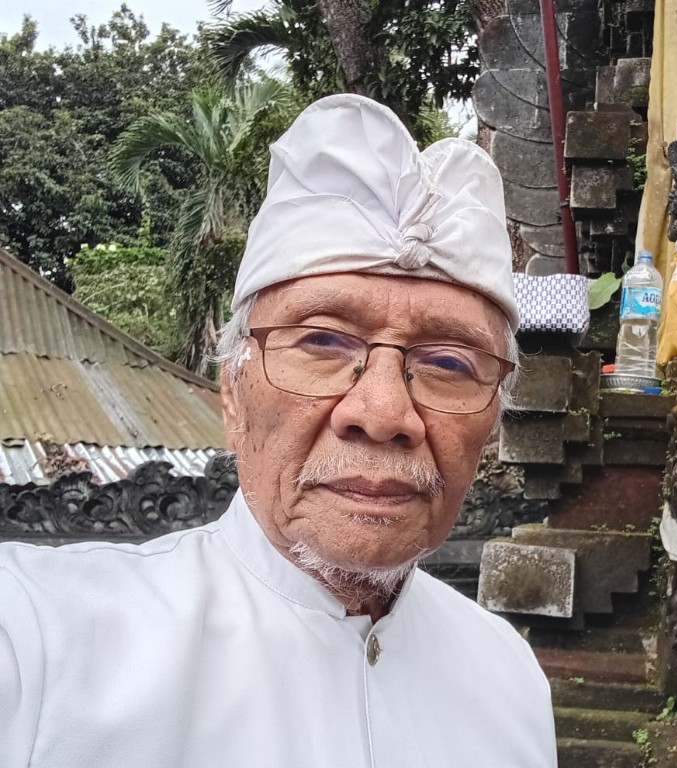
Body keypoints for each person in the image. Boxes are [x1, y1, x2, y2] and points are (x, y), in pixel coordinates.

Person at [0, 95, 558, 767]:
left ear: (493, 419)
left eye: (448, 363)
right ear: (232, 393)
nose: (383, 414)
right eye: (322, 341)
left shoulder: (510, 677)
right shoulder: (41, 640)